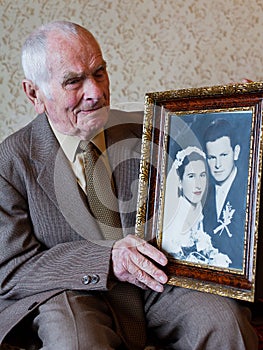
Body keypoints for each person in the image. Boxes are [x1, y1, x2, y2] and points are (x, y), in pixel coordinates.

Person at [0, 21, 258, 350]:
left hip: (155, 284)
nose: (95, 92)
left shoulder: (147, 126)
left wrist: (241, 113)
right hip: (69, 292)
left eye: (99, 72)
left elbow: (207, 167)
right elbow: (11, 269)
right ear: (34, 93)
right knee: (76, 343)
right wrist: (107, 259)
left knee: (225, 321)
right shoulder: (9, 162)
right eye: (74, 81)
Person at [162, 146, 231, 267]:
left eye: (202, 175)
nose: (198, 184)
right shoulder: (174, 216)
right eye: (191, 176)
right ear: (179, 182)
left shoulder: (198, 210)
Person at [203, 118, 247, 270]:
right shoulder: (201, 193)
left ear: (236, 153)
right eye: (212, 158)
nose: (218, 165)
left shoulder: (249, 191)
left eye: (223, 155)